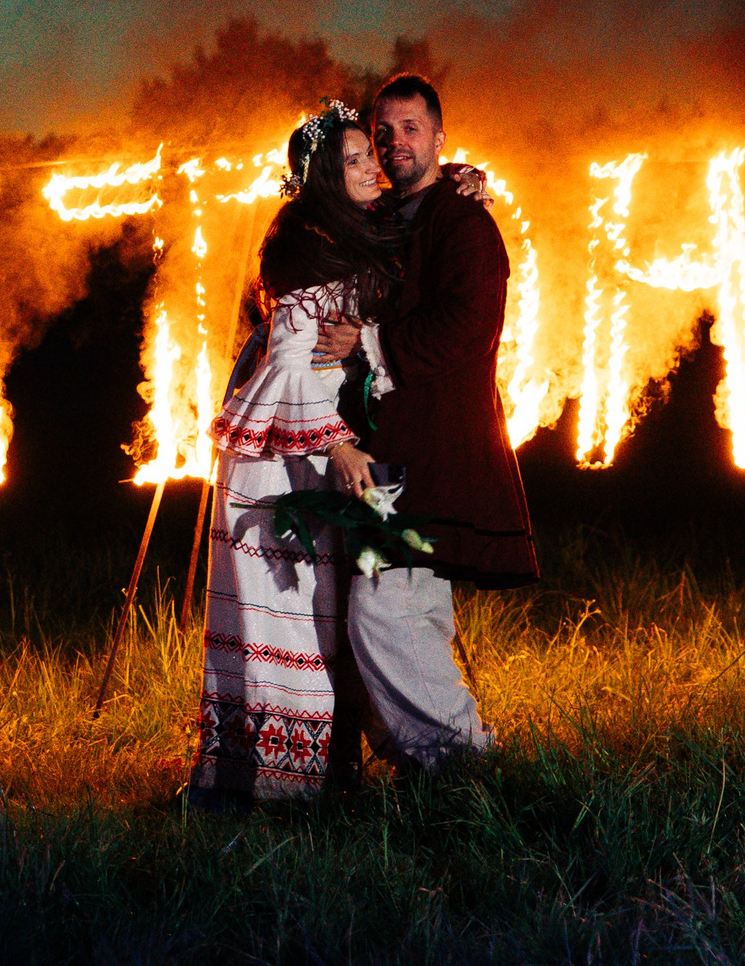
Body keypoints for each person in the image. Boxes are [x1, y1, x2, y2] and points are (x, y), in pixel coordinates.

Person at [318, 72, 537, 773]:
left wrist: (371, 344)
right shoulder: (383, 217)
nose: (395, 142)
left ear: (440, 136)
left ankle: (464, 761)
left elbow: (470, 324)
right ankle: (435, 767)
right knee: (413, 609)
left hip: (437, 451)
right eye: (383, 132)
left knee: (383, 608)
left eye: (411, 128)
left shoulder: (465, 224)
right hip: (394, 452)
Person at [185, 99, 401, 807]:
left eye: (371, 154)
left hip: (309, 454)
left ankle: (312, 780)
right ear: (322, 180)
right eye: (354, 160)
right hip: (282, 461)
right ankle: (278, 789)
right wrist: (337, 442)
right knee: (290, 621)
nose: (372, 166)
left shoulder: (347, 233)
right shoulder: (304, 244)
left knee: (322, 616)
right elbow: (288, 362)